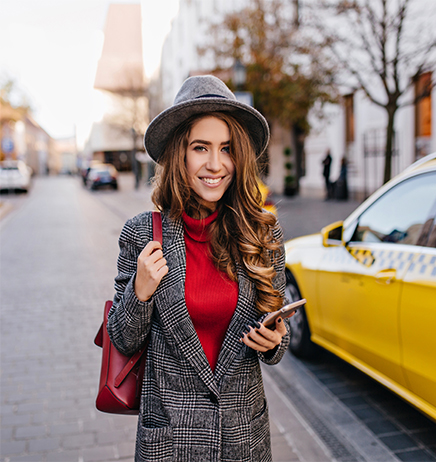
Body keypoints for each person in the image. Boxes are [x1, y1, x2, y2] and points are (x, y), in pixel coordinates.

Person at [107, 75, 289, 462]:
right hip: (171, 443)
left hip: (244, 439)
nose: (215, 164)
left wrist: (275, 342)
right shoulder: (143, 233)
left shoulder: (261, 232)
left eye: (226, 149)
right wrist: (140, 291)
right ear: (180, 154)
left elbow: (277, 335)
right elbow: (122, 341)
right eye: (200, 148)